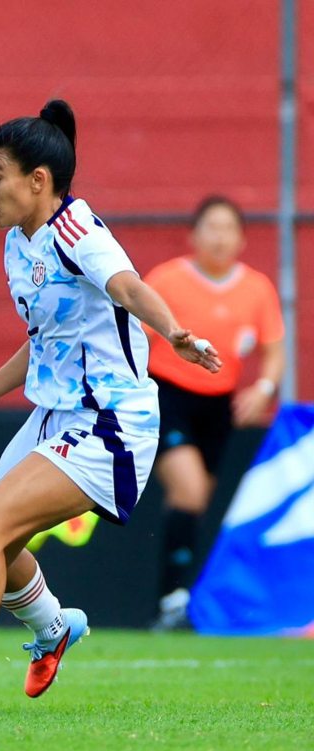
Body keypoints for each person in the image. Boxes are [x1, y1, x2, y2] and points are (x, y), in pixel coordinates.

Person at [0, 99, 221, 720]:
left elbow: (125, 286)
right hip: (56, 416)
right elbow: (45, 339)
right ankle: (54, 629)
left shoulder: (78, 233)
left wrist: (174, 332)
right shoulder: (20, 241)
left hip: (111, 423)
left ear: (37, 180)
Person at [144, 196, 286, 630]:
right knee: (188, 490)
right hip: (166, 393)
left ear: (242, 239)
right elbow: (129, 332)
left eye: (229, 228)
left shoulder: (256, 287)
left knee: (197, 499)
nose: (220, 237)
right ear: (194, 234)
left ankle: (174, 598)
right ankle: (173, 598)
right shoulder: (167, 280)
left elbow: (274, 349)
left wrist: (263, 388)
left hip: (218, 406)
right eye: (211, 227)